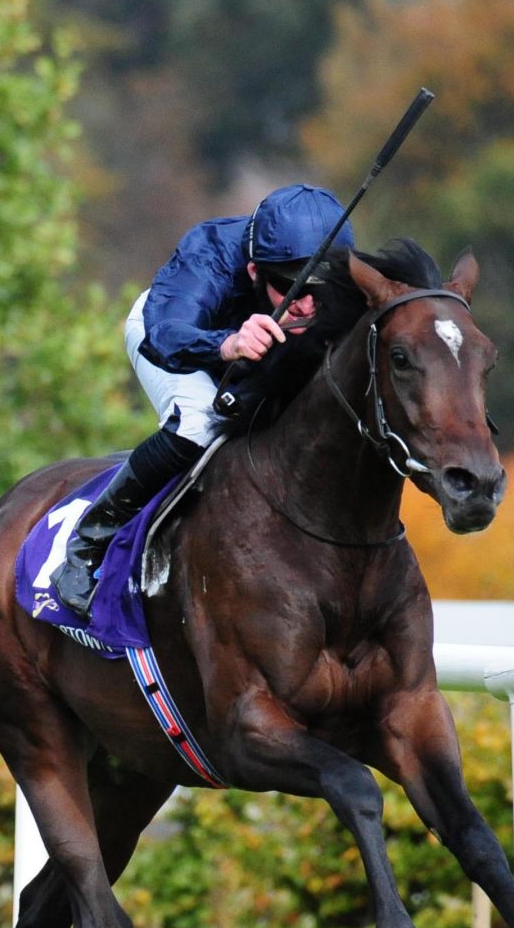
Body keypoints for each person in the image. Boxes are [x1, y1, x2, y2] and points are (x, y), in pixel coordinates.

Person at [51, 183, 355, 618]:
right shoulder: (207, 254)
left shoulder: (331, 282)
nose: (307, 305)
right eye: (291, 287)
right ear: (254, 272)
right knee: (198, 422)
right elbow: (167, 333)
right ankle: (87, 547)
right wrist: (227, 343)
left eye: (321, 289)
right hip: (174, 330)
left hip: (248, 338)